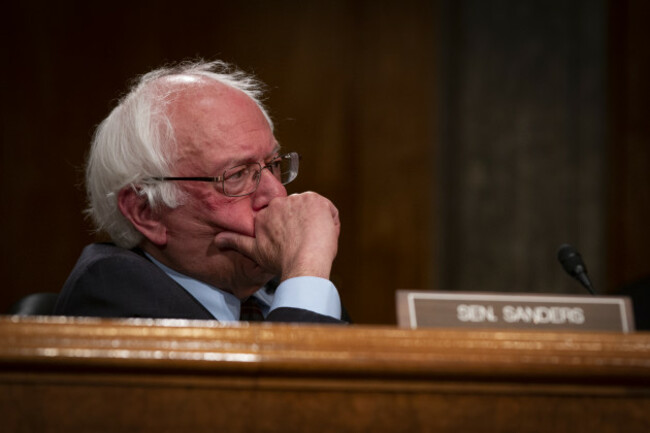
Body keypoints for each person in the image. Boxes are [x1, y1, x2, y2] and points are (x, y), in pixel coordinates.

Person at [54, 60, 345, 324]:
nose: (277, 194)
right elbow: (286, 384)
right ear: (146, 211)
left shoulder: (275, 284)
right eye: (237, 175)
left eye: (273, 165)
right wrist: (307, 272)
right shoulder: (112, 290)